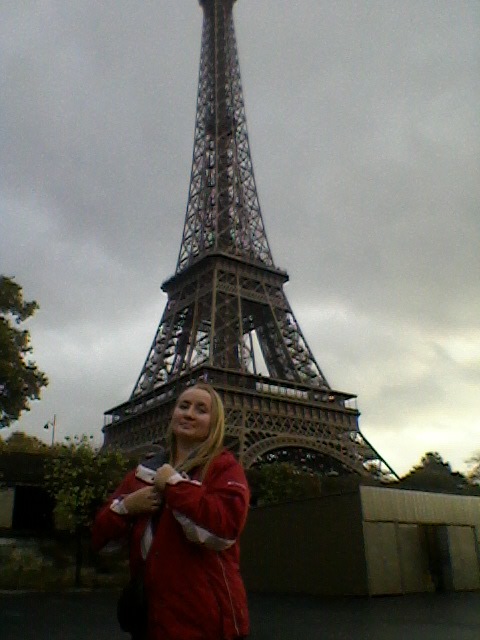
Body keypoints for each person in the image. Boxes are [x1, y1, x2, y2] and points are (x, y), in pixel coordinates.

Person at [92, 382, 250, 640]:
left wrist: (173, 485)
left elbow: (225, 529)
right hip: (151, 619)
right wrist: (126, 507)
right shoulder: (142, 475)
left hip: (205, 622)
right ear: (173, 413)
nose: (189, 414)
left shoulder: (224, 469)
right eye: (183, 406)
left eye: (201, 410)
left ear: (215, 423)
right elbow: (100, 537)